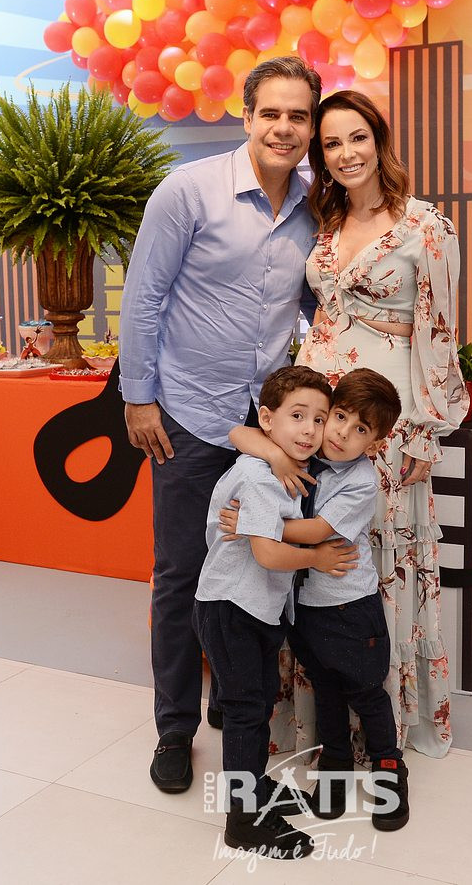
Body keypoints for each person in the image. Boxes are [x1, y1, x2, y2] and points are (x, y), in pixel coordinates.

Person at [118, 57, 322, 793]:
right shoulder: (188, 190)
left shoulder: (313, 206)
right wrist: (139, 398)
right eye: (271, 113)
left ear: (311, 126)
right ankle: (174, 729)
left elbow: (314, 305)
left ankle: (233, 700)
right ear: (247, 116)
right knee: (180, 574)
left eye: (298, 116)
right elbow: (144, 297)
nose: (284, 128)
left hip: (264, 425)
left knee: (256, 566)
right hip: (186, 414)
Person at [272, 91, 468, 760]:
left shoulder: (424, 225)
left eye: (357, 137)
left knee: (375, 556)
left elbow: (438, 332)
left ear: (379, 141)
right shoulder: (323, 221)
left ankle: (378, 724)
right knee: (317, 551)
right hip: (315, 413)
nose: (346, 153)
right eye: (331, 143)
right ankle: (318, 722)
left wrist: (425, 430)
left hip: (385, 415)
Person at [225, 367, 409, 832]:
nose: (343, 433)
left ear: (376, 442)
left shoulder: (360, 479)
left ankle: (389, 768)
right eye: (340, 417)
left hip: (349, 607)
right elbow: (239, 433)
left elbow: (317, 531)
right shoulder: (300, 452)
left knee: (366, 692)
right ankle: (335, 764)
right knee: (324, 689)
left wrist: (254, 523)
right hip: (305, 606)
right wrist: (275, 455)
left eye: (361, 429)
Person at [193, 366, 359, 860]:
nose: (309, 430)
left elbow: (241, 434)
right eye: (297, 416)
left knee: (259, 699)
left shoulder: (279, 465)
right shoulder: (259, 476)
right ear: (268, 419)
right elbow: (266, 553)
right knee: (246, 711)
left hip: (256, 607)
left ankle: (255, 787)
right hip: (232, 606)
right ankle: (243, 822)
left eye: (319, 419)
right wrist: (317, 558)